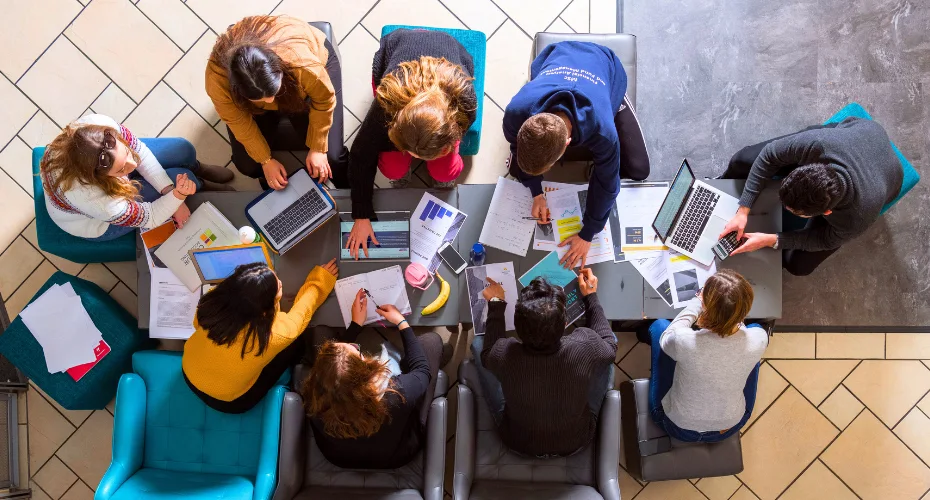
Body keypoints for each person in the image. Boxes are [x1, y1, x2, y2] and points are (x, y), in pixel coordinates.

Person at [504, 41, 650, 268]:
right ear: (526, 124)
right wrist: (536, 192)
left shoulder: (602, 130)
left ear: (567, 143)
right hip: (559, 52)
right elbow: (515, 147)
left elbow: (607, 183)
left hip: (604, 66)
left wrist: (587, 234)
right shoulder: (516, 111)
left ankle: (617, 100)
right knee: (516, 169)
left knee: (639, 168)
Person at [345, 28, 477, 259]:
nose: (414, 158)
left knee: (445, 172)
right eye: (411, 152)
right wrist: (361, 214)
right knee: (393, 168)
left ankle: (438, 169)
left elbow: (459, 130)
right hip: (397, 48)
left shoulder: (465, 102)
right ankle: (404, 170)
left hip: (453, 53)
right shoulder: (386, 104)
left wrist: (437, 154)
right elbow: (360, 153)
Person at [719, 117, 903, 276]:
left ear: (827, 212)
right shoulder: (818, 143)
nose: (782, 207)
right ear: (803, 168)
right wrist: (743, 209)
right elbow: (769, 156)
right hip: (858, 132)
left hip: (888, 176)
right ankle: (715, 186)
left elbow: (824, 239)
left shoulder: (857, 216)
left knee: (798, 264)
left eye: (793, 211)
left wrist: (773, 240)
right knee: (741, 160)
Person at [472, 270, 617, 457]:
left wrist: (496, 303)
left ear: (517, 328)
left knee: (478, 344)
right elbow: (610, 346)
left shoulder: (504, 354)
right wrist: (591, 297)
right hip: (576, 441)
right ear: (565, 323)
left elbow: (487, 353)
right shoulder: (585, 345)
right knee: (608, 342)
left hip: (519, 442)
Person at [301, 289, 443, 469]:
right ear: (364, 374)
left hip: (339, 457)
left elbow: (340, 375)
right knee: (431, 342)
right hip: (396, 455)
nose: (354, 347)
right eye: (357, 352)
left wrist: (355, 326)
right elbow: (422, 371)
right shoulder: (395, 395)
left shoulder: (312, 396)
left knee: (320, 331)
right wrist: (401, 322)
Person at [207, 15, 349, 190]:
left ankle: (347, 186)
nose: (271, 101)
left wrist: (318, 148)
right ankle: (271, 180)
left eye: (272, 94)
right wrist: (265, 161)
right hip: (259, 102)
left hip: (301, 85)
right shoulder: (217, 80)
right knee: (248, 164)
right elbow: (237, 121)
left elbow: (324, 100)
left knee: (334, 157)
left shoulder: (301, 63)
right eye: (262, 98)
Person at [40, 113, 233, 241]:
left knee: (183, 149)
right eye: (122, 169)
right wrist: (178, 197)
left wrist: (168, 190)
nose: (134, 165)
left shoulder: (98, 127)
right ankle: (200, 183)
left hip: (102, 185)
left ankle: (199, 171)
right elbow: (152, 216)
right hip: (97, 221)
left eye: (125, 152)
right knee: (179, 177)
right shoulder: (97, 201)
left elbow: (139, 150)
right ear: (99, 179)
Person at [182, 258, 338, 413]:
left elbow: (198, 325)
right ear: (263, 310)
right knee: (295, 344)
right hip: (229, 400)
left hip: (189, 372)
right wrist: (321, 279)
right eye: (277, 288)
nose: (280, 282)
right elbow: (302, 311)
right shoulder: (274, 335)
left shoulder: (211, 302)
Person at [638, 269, 767, 442]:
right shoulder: (759, 338)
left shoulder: (683, 340)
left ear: (706, 308)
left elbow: (669, 335)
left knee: (660, 326)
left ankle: (642, 334)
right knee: (752, 348)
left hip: (676, 425)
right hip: (731, 425)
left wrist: (696, 303)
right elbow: (742, 326)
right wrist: (731, 315)